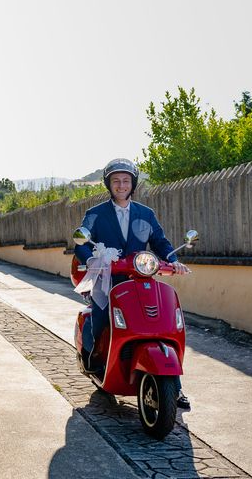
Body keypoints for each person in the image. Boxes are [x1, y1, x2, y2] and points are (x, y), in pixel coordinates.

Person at [74, 158, 192, 409]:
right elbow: (81, 244)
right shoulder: (94, 214)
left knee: (161, 323)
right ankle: (96, 356)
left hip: (140, 279)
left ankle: (175, 385)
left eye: (126, 180)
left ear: (133, 184)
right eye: (116, 181)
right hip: (108, 279)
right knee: (102, 317)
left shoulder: (146, 214)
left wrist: (174, 261)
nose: (121, 185)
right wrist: (93, 261)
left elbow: (160, 242)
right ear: (109, 184)